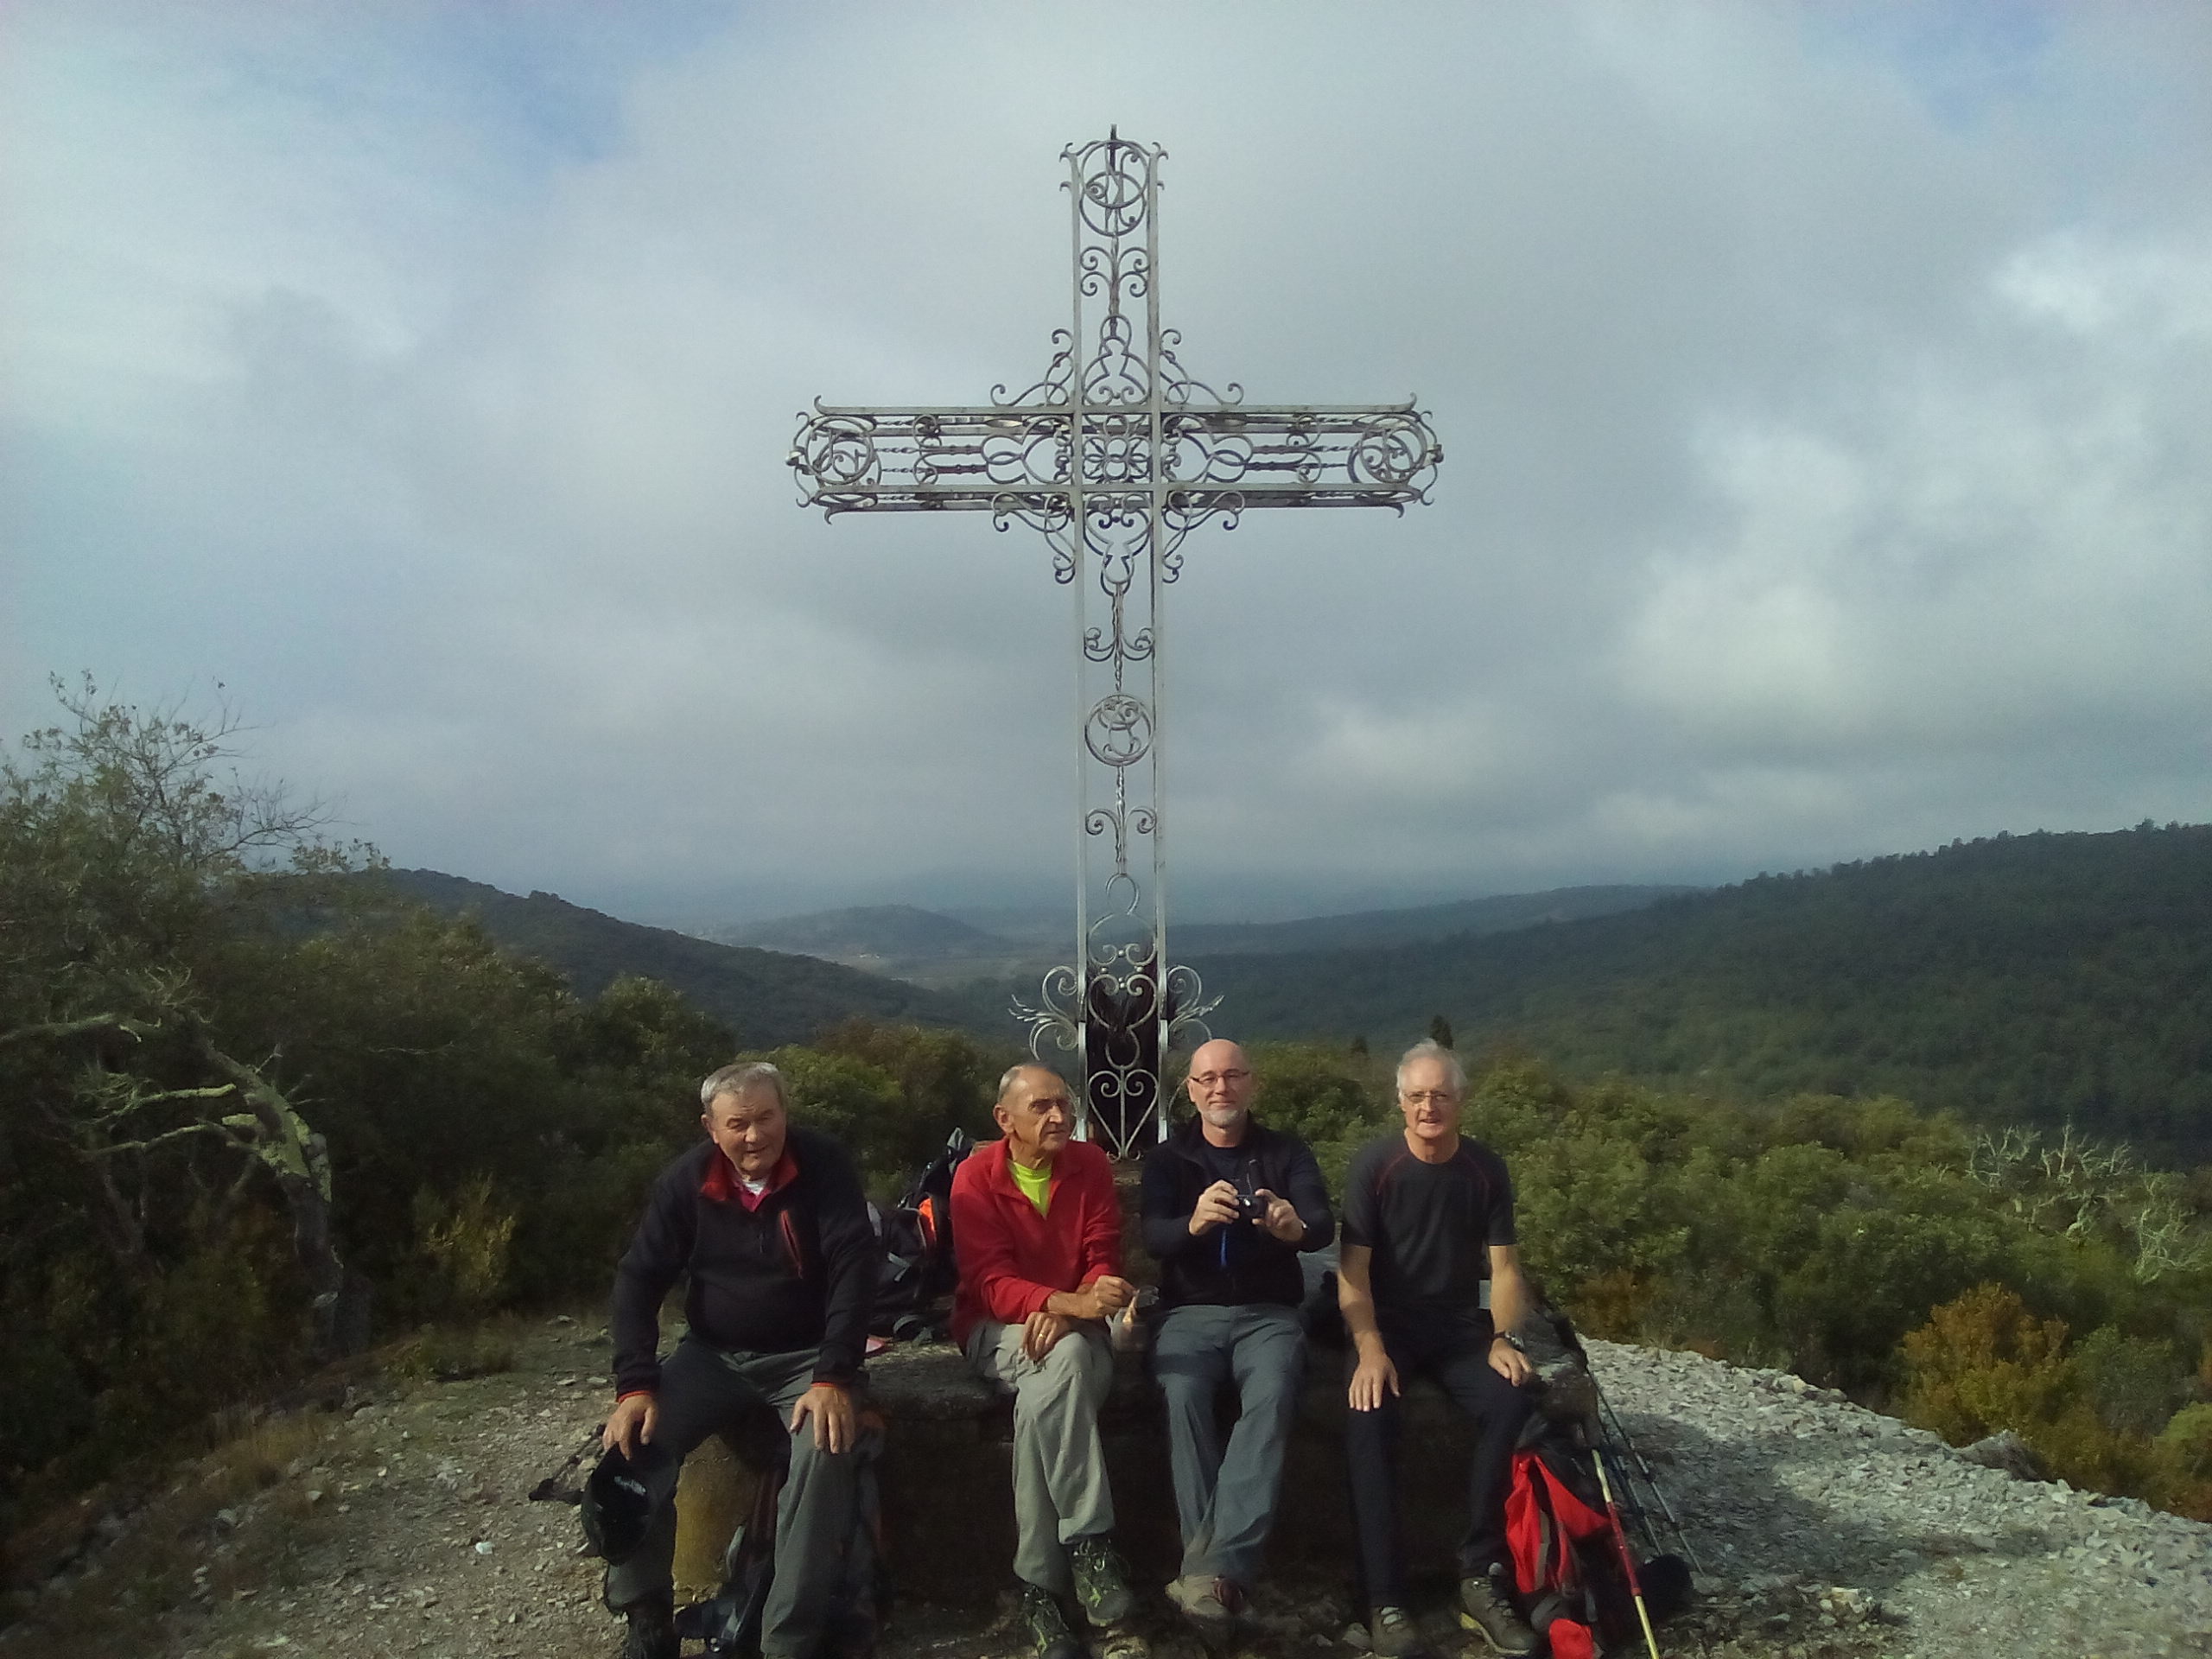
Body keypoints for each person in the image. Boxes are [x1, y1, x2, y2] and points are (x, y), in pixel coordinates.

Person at [601, 1062, 877, 1659]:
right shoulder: (686, 1182)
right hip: (714, 1355)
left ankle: (787, 1638)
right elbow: (638, 1279)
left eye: (766, 1118)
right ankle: (647, 1615)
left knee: (825, 1451)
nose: (755, 1136)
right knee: (632, 1447)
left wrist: (834, 1375)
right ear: (710, 1127)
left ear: (786, 1113)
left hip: (808, 1356)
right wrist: (635, 1385)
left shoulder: (823, 1165)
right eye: (738, 1124)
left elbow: (855, 1267)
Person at [1338, 1040, 1538, 1657]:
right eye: (1418, 1096)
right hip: (1388, 1324)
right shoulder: (1376, 1166)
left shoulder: (1484, 1169)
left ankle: (1481, 1574)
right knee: (1368, 1413)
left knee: (1511, 1399)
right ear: (1400, 1101)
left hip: (1455, 1326)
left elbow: (1505, 1269)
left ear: (1461, 1101)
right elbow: (1352, 1272)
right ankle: (1385, 1598)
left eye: (1441, 1095)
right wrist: (1370, 1349)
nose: (1429, 1107)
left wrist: (1504, 1337)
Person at [1141, 1038, 1334, 1630]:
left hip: (1268, 1313)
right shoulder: (1169, 1160)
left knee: (1273, 1392)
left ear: (1252, 1083)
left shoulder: (1285, 1152)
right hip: (1188, 1313)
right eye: (1207, 1079)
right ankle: (1219, 1577)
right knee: (1182, 1394)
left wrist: (1292, 1227)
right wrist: (1195, 1221)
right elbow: (1153, 1237)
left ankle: (1207, 1573)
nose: (1220, 1088)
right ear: (1191, 1091)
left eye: (1232, 1076)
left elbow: (1322, 1224)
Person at [951, 1064, 1141, 1659]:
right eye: (1041, 1107)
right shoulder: (975, 1178)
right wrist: (1064, 1304)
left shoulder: (1090, 1165)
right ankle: (1090, 1542)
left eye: (1063, 1104)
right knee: (1066, 1362)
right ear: (1004, 1119)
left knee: (1049, 1391)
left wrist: (1075, 1309)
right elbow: (988, 1283)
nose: (1059, 1116)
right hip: (996, 1330)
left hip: (1076, 1332)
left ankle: (1038, 1591)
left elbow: (1103, 1257)